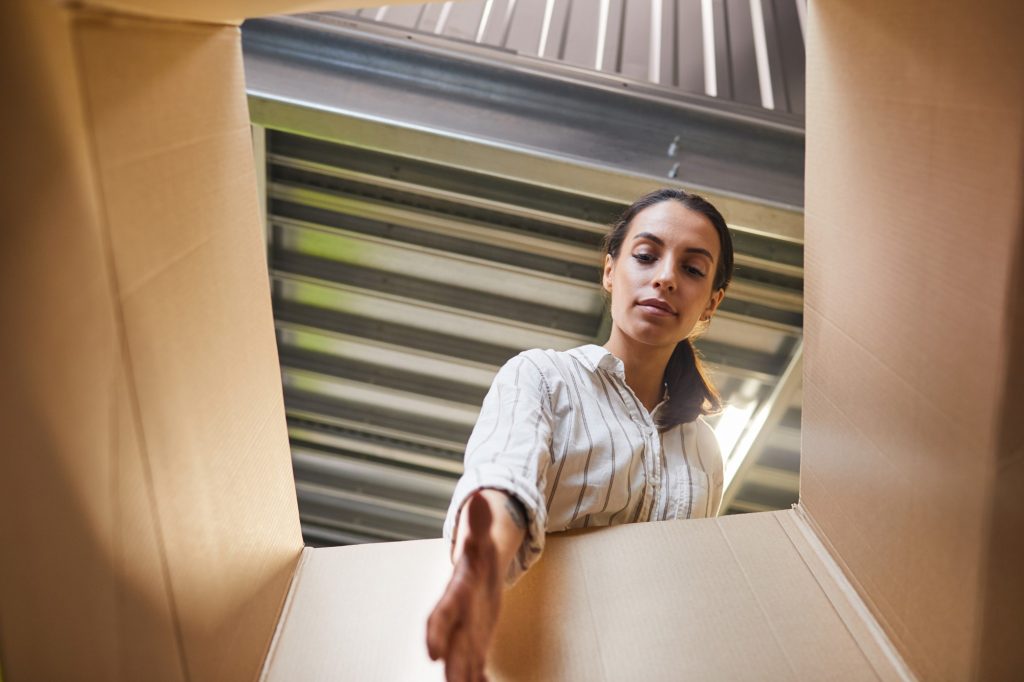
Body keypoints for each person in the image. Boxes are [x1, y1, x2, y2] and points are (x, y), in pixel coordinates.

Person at [426, 188, 734, 682]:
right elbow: (504, 481)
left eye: (692, 269)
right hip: (538, 663)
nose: (665, 278)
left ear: (711, 303)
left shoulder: (704, 452)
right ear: (610, 271)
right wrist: (480, 568)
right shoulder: (543, 377)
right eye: (646, 256)